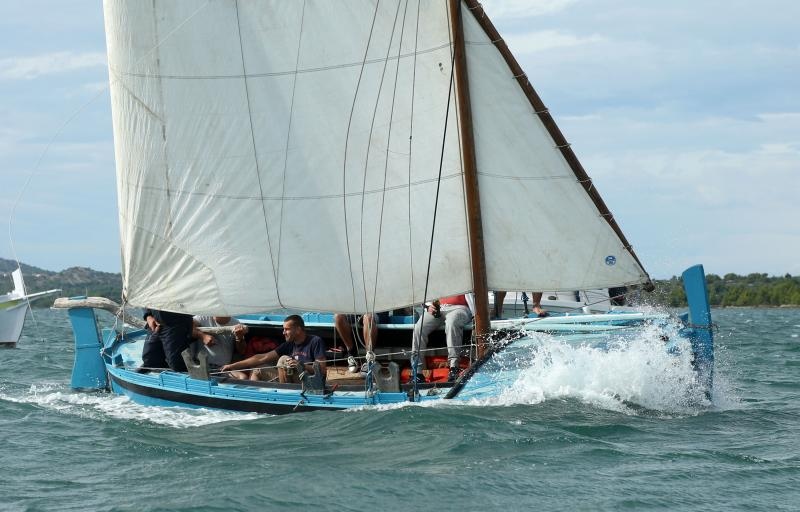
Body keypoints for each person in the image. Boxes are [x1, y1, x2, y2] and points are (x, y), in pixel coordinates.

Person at [220, 315, 326, 384]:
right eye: (283, 329)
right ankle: (256, 398)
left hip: (308, 382)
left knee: (283, 359)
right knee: (258, 369)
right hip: (288, 379)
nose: (283, 332)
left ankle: (285, 393)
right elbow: (261, 358)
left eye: (287, 329)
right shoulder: (288, 345)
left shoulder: (315, 341)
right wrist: (231, 366)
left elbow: (321, 370)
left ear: (298, 329)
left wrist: (300, 365)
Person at [411, 294, 474, 383]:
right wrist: (428, 307)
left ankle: (454, 368)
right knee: (419, 328)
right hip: (439, 308)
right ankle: (416, 372)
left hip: (460, 308)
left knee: (451, 323)